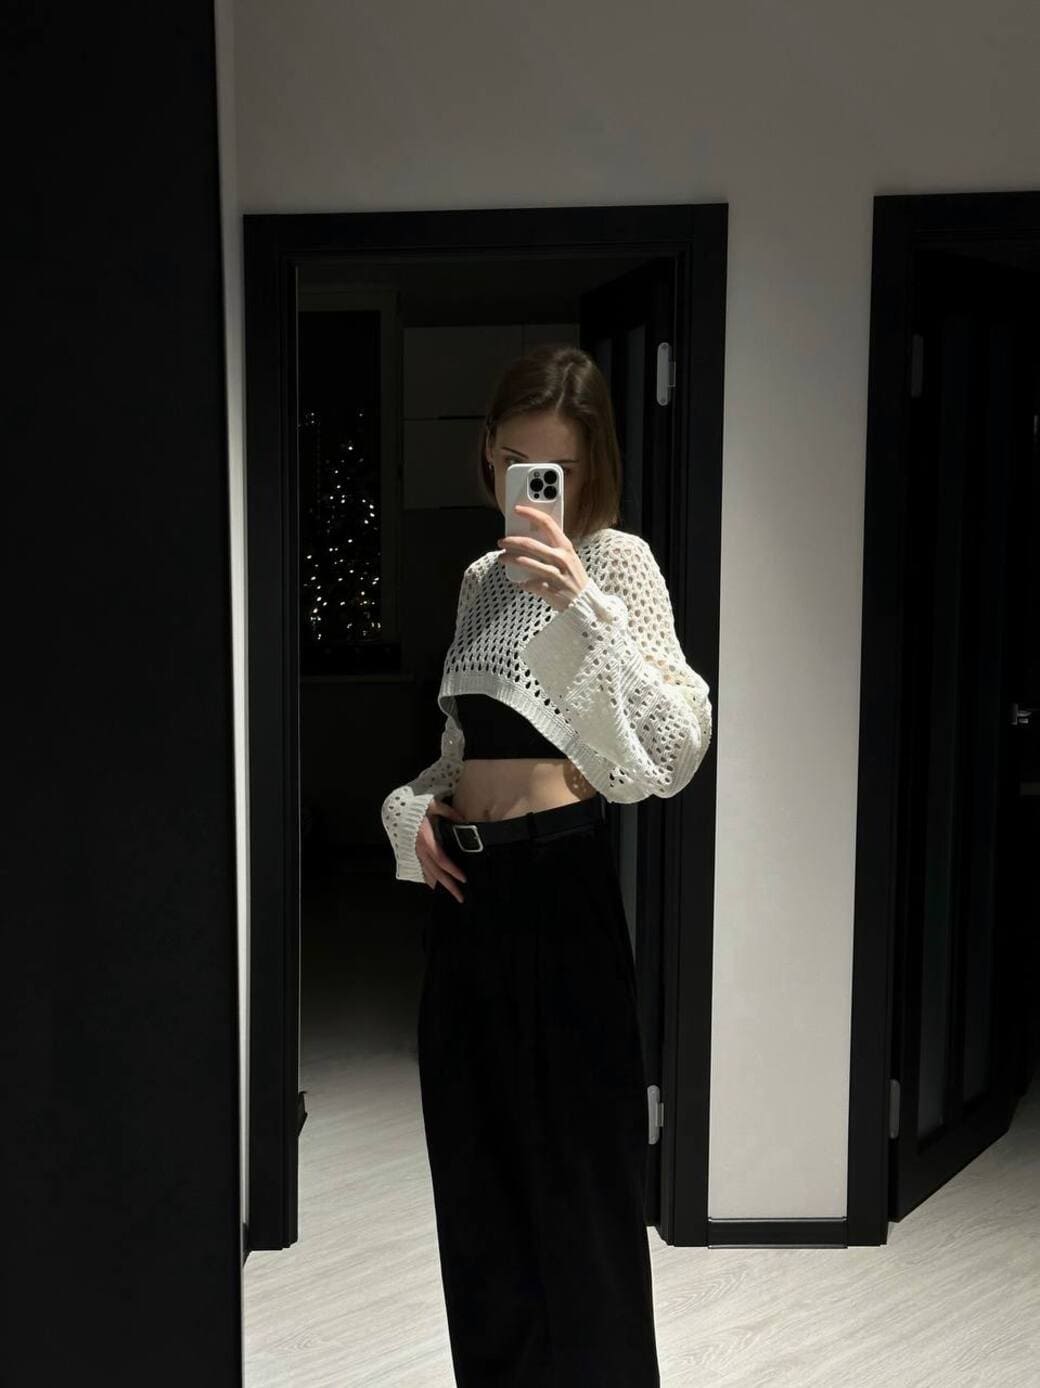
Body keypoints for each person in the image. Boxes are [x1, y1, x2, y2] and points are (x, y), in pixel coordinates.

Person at [381, 343, 712, 1386]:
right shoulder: (477, 583)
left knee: (581, 1202)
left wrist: (583, 608)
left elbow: (670, 751)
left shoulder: (617, 565)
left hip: (558, 895)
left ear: (588, 466)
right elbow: (457, 757)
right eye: (516, 462)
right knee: (477, 1197)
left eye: (554, 471)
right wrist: (410, 814)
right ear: (489, 451)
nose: (530, 489)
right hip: (466, 902)